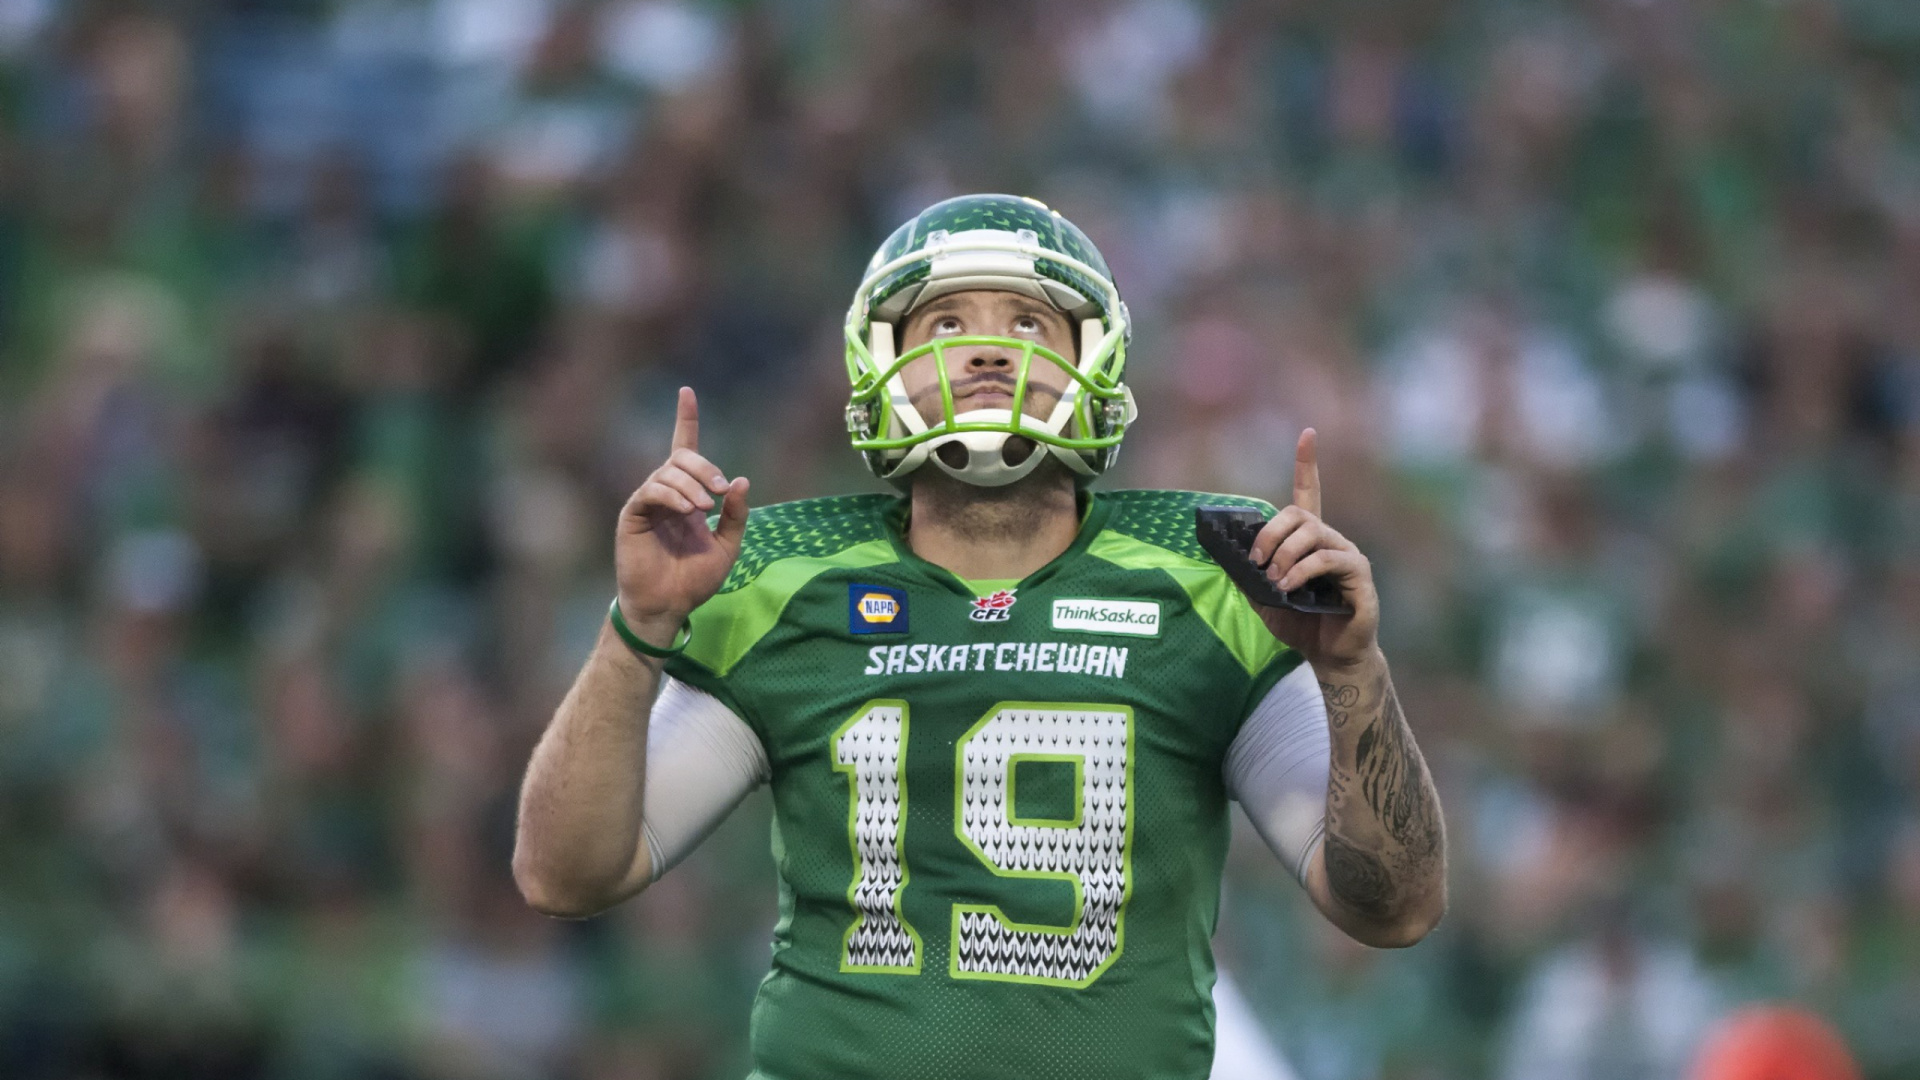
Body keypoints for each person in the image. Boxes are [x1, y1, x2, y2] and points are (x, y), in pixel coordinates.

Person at [512, 194, 1447, 1079]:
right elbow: (565, 874)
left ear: (1100, 359)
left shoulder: (1208, 578)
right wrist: (636, 631)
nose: (992, 350)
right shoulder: (782, 579)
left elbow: (1392, 908)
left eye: (1030, 323)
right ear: (882, 360)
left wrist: (1351, 670)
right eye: (948, 325)